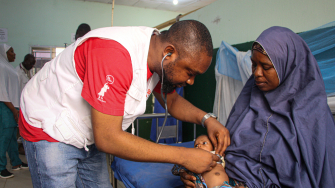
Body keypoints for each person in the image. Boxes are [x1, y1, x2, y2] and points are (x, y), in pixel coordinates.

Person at [19, 20, 230, 187]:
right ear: (169, 52)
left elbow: (172, 101)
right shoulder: (115, 55)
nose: (191, 81)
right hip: (50, 127)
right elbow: (108, 138)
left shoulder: (157, 55)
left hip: (88, 132)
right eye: (190, 72)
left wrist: (207, 119)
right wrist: (184, 156)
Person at [180, 26, 335, 188]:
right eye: (254, 65)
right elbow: (226, 156)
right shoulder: (249, 99)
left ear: (287, 66)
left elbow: (314, 176)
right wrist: (196, 174)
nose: (257, 73)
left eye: (266, 67)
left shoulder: (314, 116)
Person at [173, 135, 246, 188]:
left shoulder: (218, 155)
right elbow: (177, 168)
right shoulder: (195, 160)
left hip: (226, 185)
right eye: (196, 145)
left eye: (204, 143)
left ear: (214, 147)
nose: (199, 146)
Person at [0, 44, 28, 179]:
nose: (14, 54)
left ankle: (16, 162)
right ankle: (1, 167)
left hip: (13, 106)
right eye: (11, 51)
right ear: (4, 53)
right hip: (6, 107)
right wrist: (12, 109)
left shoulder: (8, 67)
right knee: (4, 138)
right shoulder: (1, 66)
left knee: (12, 138)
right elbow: (2, 91)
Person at [15, 53, 36, 155]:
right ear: (26, 61)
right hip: (19, 103)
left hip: (27, 103)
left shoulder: (29, 70)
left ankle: (22, 147)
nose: (32, 66)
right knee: (18, 128)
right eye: (31, 64)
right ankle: (18, 148)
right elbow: (16, 91)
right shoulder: (17, 72)